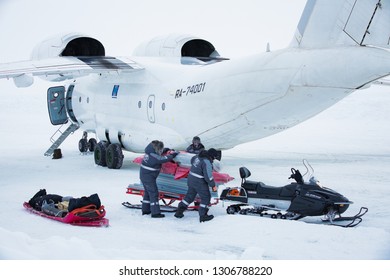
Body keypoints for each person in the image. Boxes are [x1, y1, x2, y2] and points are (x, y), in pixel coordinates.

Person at [174, 148, 221, 222]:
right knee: (206, 197)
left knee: (190, 196)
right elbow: (208, 177)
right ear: (212, 156)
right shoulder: (206, 162)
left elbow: (192, 160)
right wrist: (213, 185)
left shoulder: (197, 156)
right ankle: (203, 215)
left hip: (191, 179)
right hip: (199, 182)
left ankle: (179, 211)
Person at [140, 140, 179, 218]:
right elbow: (161, 159)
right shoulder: (153, 156)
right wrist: (172, 155)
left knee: (148, 193)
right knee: (154, 193)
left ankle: (146, 210)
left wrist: (165, 150)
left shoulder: (150, 151)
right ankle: (155, 213)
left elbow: (157, 155)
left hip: (145, 175)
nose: (161, 151)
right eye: (160, 149)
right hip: (148, 177)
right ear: (157, 148)